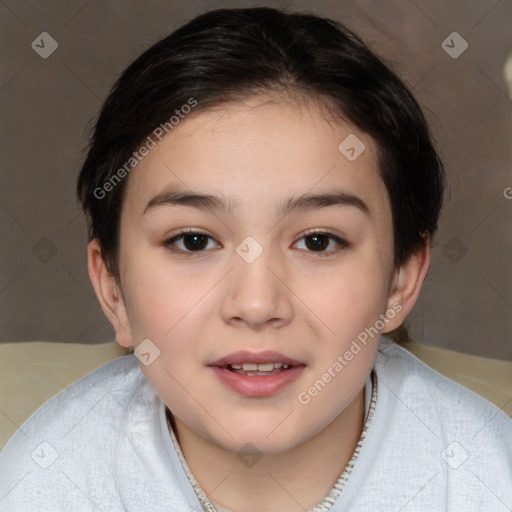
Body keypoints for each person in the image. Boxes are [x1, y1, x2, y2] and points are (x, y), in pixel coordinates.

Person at [0, 7, 510, 511]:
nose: (257, 303)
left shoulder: (487, 476)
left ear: (400, 280)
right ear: (113, 289)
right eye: (194, 241)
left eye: (318, 241)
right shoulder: (44, 482)